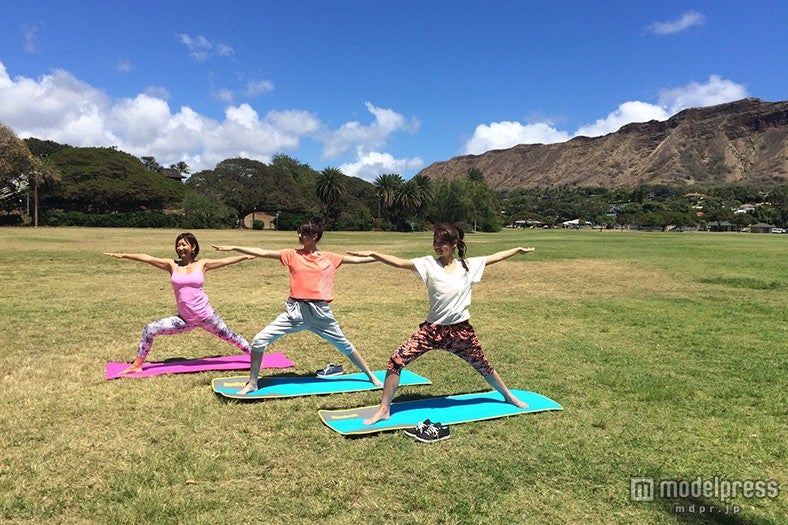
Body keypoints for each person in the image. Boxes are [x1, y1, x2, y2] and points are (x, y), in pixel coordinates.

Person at [348, 222, 535, 425]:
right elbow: (400, 262)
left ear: (454, 244)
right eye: (435, 242)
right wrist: (375, 254)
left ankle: (508, 396)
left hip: (460, 331)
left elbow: (496, 257)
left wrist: (517, 250)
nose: (437, 246)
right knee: (396, 360)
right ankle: (384, 409)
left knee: (484, 366)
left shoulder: (468, 266)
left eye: (443, 243)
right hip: (431, 331)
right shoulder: (428, 264)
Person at [212, 217, 382, 394]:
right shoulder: (291, 254)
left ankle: (370, 375)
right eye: (299, 232)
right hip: (294, 312)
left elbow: (357, 261)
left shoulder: (329, 258)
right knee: (259, 340)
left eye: (303, 233)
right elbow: (262, 252)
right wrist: (233, 247)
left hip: (320, 313)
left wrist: (378, 256)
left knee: (344, 345)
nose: (299, 236)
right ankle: (253, 382)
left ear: (314, 236)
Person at [105, 232, 255, 375]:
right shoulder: (172, 265)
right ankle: (137, 365)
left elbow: (225, 261)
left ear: (193, 247)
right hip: (184, 319)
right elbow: (148, 258)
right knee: (150, 329)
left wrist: (246, 256)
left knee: (233, 338)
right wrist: (124, 255)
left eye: (184, 245)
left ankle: (256, 357)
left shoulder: (202, 264)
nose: (180, 248)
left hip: (206, 316)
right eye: (178, 245)